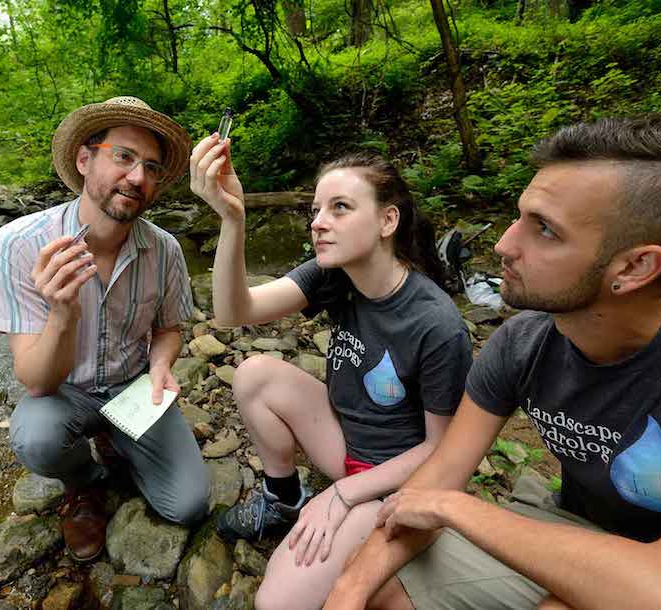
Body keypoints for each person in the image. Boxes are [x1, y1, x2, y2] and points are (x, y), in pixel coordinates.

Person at [324, 115, 661, 610]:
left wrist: (455, 509)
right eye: (520, 215)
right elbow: (438, 475)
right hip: (572, 527)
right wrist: (348, 590)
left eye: (544, 229)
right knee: (378, 587)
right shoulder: (523, 342)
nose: (503, 244)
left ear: (635, 266)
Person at [190, 136, 473, 609]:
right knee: (255, 373)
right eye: (318, 209)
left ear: (388, 220)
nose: (319, 223)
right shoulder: (334, 274)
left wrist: (343, 496)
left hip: (398, 479)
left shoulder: (436, 323)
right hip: (344, 444)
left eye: (340, 208)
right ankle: (283, 497)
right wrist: (231, 218)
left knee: (275, 603)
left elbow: (441, 449)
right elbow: (232, 311)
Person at [0, 96, 211, 563]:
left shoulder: (165, 250)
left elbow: (169, 328)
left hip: (132, 386)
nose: (137, 177)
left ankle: (116, 437)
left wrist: (163, 365)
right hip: (63, 392)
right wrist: (62, 310)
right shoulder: (17, 245)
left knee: (187, 506)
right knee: (35, 438)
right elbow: (36, 380)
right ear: (85, 159)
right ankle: (83, 483)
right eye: (123, 157)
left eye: (150, 167)